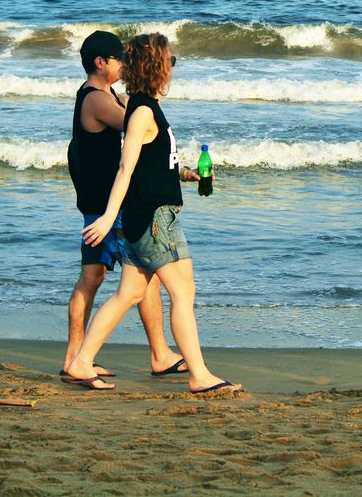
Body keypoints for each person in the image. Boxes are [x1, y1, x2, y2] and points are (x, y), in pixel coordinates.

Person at [66, 33, 240, 395]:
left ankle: (82, 362)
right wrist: (106, 216)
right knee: (183, 293)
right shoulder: (142, 110)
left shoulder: (143, 107)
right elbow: (125, 168)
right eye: (169, 61)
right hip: (155, 219)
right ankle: (199, 376)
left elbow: (149, 162)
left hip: (145, 216)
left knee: (128, 293)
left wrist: (183, 172)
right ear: (158, 68)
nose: (173, 67)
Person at [61, 30, 188, 383]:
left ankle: (157, 353)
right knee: (98, 276)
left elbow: (147, 144)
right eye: (120, 60)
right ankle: (77, 358)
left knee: (133, 276)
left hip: (108, 201)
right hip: (105, 204)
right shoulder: (96, 99)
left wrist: (181, 168)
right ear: (100, 63)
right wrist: (150, 90)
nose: (124, 65)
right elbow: (141, 130)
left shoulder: (111, 94)